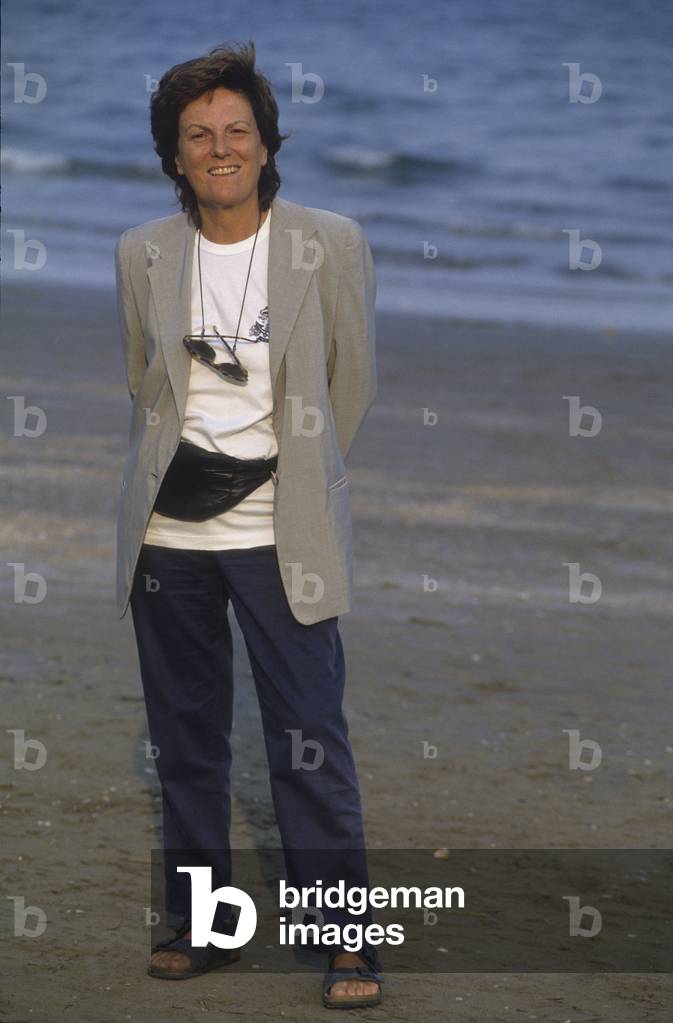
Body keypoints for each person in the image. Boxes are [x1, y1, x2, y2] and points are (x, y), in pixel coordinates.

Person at [113, 41, 382, 1009]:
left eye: (237, 131)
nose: (219, 148)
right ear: (173, 155)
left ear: (268, 145)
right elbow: (149, 383)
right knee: (185, 739)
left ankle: (344, 940)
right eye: (198, 136)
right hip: (169, 538)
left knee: (308, 734)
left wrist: (295, 480)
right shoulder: (142, 252)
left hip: (283, 532)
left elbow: (350, 384)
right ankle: (203, 923)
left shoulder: (330, 242)